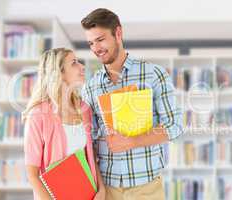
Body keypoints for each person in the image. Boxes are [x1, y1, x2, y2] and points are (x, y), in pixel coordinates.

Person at [81, 8, 183, 200]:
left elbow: (175, 127)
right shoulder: (91, 86)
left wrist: (132, 142)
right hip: (108, 188)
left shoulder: (154, 74)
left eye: (100, 40)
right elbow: (90, 144)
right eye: (91, 43)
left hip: (146, 188)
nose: (96, 48)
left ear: (118, 33)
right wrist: (100, 189)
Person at [23, 48, 105, 200]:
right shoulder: (38, 115)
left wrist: (101, 190)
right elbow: (32, 174)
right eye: (74, 63)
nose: (82, 66)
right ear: (58, 73)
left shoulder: (84, 109)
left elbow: (90, 156)